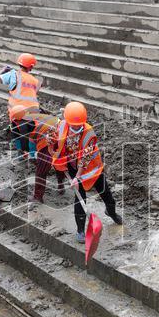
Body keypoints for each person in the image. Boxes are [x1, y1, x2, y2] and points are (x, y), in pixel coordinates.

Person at [51, 101, 122, 242]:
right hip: (72, 166)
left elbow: (85, 158)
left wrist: (78, 177)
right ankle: (80, 231)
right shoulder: (62, 125)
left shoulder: (89, 133)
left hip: (91, 168)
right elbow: (55, 140)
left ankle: (111, 213)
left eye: (79, 124)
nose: (76, 126)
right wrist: (50, 140)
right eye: (73, 124)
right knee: (80, 198)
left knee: (106, 194)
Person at [10, 105, 66, 203]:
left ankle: (38, 196)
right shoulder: (35, 115)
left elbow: (30, 141)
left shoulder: (25, 125)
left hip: (49, 139)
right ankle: (61, 185)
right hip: (62, 133)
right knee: (59, 163)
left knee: (41, 171)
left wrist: (31, 155)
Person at [0, 53, 41, 157]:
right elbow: (34, 92)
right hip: (33, 112)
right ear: (31, 67)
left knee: (17, 132)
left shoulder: (13, 74)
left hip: (17, 111)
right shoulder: (35, 80)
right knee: (32, 133)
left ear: (19, 63)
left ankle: (21, 152)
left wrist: (3, 70)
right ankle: (32, 154)